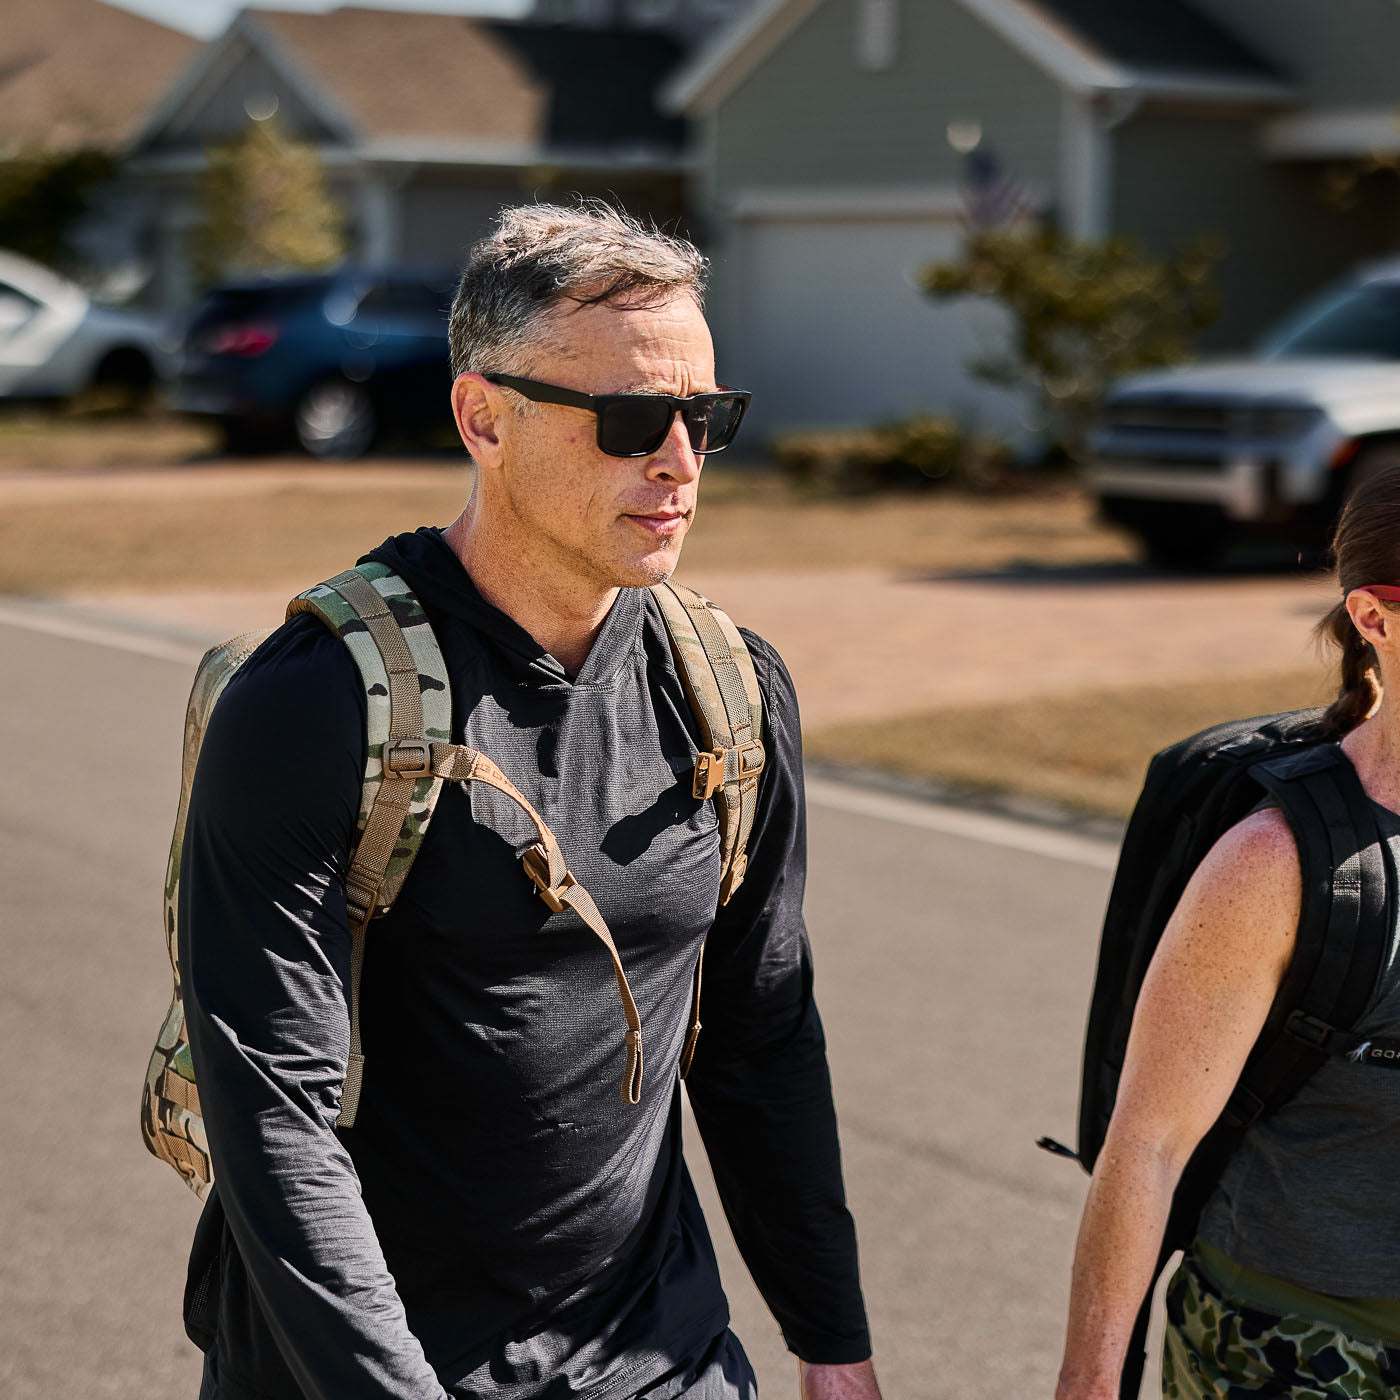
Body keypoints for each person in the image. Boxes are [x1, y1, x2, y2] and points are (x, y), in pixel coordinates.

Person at [177, 202, 881, 1400]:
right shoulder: (310, 703)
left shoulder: (730, 695)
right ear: (480, 417)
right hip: (347, 1367)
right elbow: (274, 1112)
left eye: (703, 418)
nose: (677, 460)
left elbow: (760, 1035)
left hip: (654, 1356)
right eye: (627, 421)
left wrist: (831, 1341)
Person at [1055, 467, 1400, 1400]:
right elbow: (1151, 1145)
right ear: (1374, 618)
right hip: (1304, 1351)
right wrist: (1087, 1386)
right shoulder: (1279, 863)